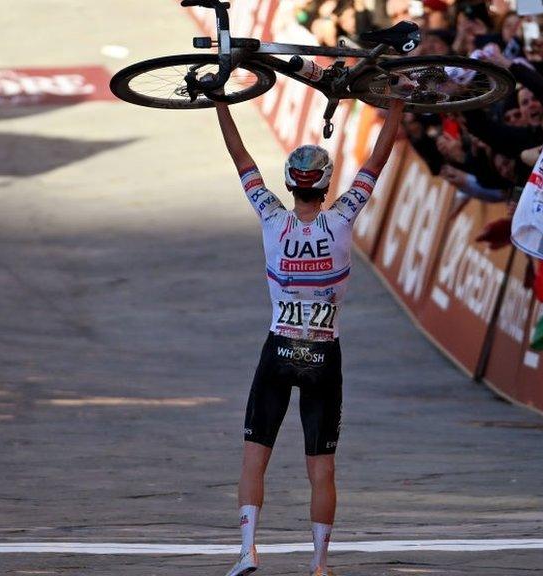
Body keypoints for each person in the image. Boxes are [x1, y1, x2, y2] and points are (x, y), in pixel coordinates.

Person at [211, 90, 405, 576]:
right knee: (321, 466)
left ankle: (247, 552)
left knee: (255, 458)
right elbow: (376, 163)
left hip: (279, 347)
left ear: (290, 184)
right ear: (324, 184)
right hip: (323, 353)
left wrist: (221, 105)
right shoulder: (341, 218)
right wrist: (399, 108)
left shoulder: (272, 218)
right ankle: (319, 565)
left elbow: (242, 161)